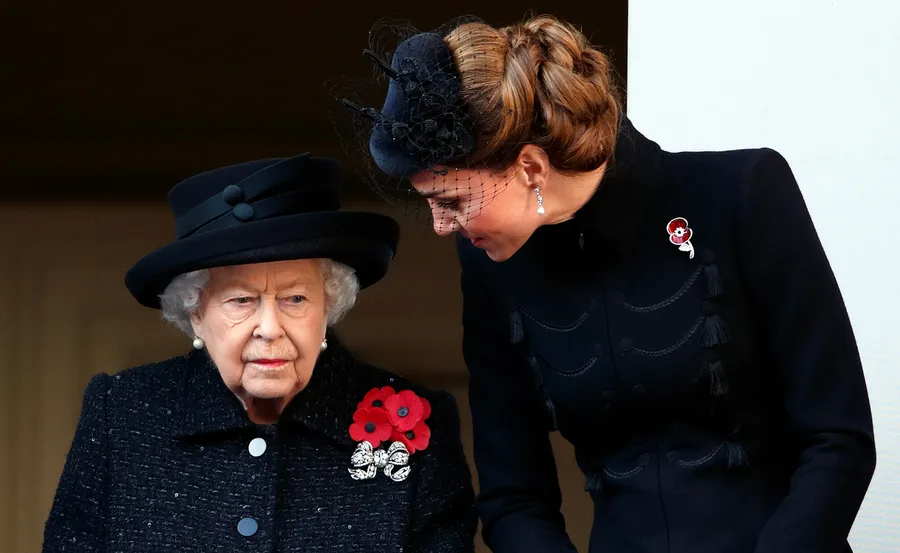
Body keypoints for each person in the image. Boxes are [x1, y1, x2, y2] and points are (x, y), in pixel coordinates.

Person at [334, 14, 877, 553]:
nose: (440, 225)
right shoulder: (491, 266)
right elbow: (512, 500)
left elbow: (839, 440)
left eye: (452, 201)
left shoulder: (742, 193)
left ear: (529, 167)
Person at [42, 153, 477, 552]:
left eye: (295, 299)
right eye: (240, 300)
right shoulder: (122, 415)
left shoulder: (420, 424)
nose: (270, 329)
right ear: (196, 313)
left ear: (329, 306)